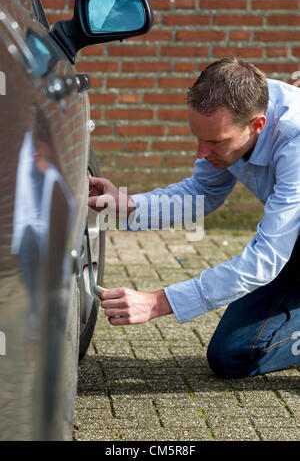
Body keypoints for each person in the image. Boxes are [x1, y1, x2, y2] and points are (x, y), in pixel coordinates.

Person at [88, 57, 300, 378]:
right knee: (232, 354)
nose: (201, 152)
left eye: (215, 142)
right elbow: (203, 192)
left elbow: (266, 259)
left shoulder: (294, 140)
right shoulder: (239, 109)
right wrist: (128, 205)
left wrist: (159, 302)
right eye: (197, 137)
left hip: (283, 249)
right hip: (292, 245)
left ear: (257, 125)